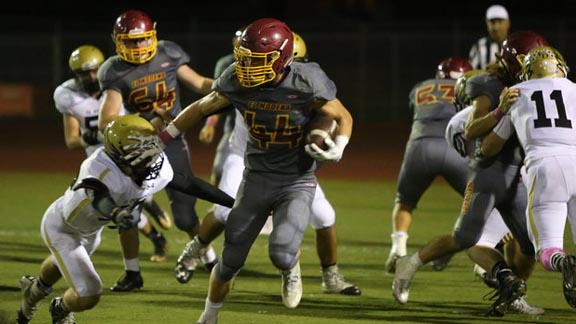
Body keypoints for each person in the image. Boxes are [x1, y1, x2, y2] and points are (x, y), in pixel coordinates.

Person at [157, 18, 353, 323]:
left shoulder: (305, 80)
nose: (246, 67)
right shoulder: (236, 79)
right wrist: (164, 137)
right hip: (256, 177)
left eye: (256, 60)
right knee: (230, 259)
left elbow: (342, 115)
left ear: (282, 58)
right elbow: (200, 107)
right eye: (243, 59)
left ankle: (291, 268)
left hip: (296, 181)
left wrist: (338, 144)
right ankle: (208, 318)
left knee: (282, 252)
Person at [392, 31, 549, 317]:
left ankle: (515, 293)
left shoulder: (535, 85)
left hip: (517, 174)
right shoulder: (490, 85)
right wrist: (501, 110)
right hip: (488, 171)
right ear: (516, 62)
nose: (541, 68)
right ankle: (411, 263)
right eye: (534, 61)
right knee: (465, 238)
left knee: (529, 245)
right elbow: (471, 130)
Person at [97, 10, 231, 291]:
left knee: (184, 216)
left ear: (153, 37)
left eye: (142, 40)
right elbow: (106, 121)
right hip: (137, 148)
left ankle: (206, 258)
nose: (137, 47)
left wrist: (228, 89)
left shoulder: (168, 53)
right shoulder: (114, 70)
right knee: (127, 214)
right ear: (118, 42)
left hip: (171, 140)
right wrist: (147, 122)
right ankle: (132, 273)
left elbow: (199, 84)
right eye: (130, 42)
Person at [16, 115, 173, 324]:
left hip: (90, 230)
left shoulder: (142, 168)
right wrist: (117, 213)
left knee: (60, 262)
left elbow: (166, 182)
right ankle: (59, 308)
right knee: (90, 292)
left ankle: (33, 292)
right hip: (63, 226)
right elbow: (100, 197)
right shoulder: (98, 165)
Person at [54, 44, 171, 264]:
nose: (90, 76)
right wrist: (95, 136)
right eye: (84, 72)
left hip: (126, 156)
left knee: (125, 207)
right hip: (101, 162)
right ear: (75, 74)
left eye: (93, 70)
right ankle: (154, 227)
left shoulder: (117, 85)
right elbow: (71, 141)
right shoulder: (67, 95)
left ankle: (149, 214)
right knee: (119, 209)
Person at [480, 45, 576, 309]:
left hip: (544, 168)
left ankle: (561, 261)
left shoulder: (516, 94)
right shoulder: (574, 89)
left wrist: (500, 111)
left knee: (547, 250)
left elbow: (490, 147)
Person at [385, 57, 473, 274]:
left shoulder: (421, 86)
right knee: (477, 203)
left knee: (404, 201)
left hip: (420, 146)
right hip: (456, 149)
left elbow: (416, 112)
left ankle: (398, 248)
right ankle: (454, 247)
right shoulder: (471, 87)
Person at [469, 4, 511, 70]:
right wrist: (485, 73)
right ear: (487, 24)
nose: (496, 27)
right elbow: (470, 73)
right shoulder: (479, 46)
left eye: (500, 21)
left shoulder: (516, 44)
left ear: (508, 23)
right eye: (492, 22)